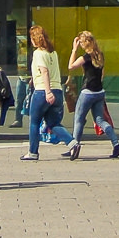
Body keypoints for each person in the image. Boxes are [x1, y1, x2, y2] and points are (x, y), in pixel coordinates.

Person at [65, 31, 119, 160]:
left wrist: (73, 50)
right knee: (100, 120)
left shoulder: (85, 57)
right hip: (99, 92)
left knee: (79, 119)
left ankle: (74, 147)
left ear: (86, 42)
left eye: (80, 42)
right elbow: (102, 74)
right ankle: (116, 144)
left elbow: (71, 66)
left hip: (87, 93)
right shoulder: (100, 55)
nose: (79, 44)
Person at [23, 25, 71, 160]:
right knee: (53, 123)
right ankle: (72, 143)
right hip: (57, 90)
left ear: (35, 39)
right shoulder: (53, 53)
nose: (31, 41)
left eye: (32, 38)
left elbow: (44, 71)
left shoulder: (38, 53)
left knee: (34, 121)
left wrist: (47, 91)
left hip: (42, 91)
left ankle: (32, 152)